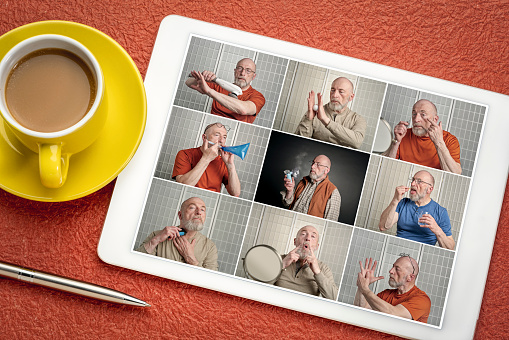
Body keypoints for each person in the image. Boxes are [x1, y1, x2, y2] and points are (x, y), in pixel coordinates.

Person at [378, 170, 455, 249]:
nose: (412, 184)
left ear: (429, 189)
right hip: (397, 247)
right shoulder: (403, 203)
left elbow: (450, 248)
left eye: (419, 181)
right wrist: (395, 200)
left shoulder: (441, 212)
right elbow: (383, 227)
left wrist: (437, 229)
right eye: (413, 180)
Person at [136, 197, 218, 270]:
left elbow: (211, 280)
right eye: (192, 207)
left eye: (202, 209)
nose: (199, 212)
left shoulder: (210, 247)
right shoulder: (156, 235)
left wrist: (191, 259)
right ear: (180, 215)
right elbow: (136, 262)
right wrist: (155, 241)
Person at [382, 99, 461, 174]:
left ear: (435, 119)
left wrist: (439, 143)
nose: (416, 119)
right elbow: (385, 165)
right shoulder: (403, 135)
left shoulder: (450, 140)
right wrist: (396, 142)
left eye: (423, 114)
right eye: (414, 114)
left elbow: (455, 174)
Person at [185, 58, 266, 124]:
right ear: (235, 71)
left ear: (253, 76)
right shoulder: (220, 86)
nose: (243, 73)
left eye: (248, 70)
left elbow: (244, 109)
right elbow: (188, 82)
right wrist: (202, 77)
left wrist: (210, 92)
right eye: (240, 68)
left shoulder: (257, 96)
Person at [354, 256, 431, 323]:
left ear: (410, 277)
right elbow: (362, 309)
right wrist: (362, 286)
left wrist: (365, 289)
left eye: (397, 269)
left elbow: (393, 315)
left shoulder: (422, 300)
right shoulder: (386, 294)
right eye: (393, 267)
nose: (390, 271)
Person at [295, 77, 366, 149]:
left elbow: (357, 142)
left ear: (351, 97)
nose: (335, 95)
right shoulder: (314, 112)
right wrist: (308, 119)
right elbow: (298, 143)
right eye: (332, 90)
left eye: (341, 92)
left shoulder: (358, 119)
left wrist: (325, 120)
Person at [172, 122, 241, 197]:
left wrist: (230, 165)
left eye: (224, 137)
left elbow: (235, 193)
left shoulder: (223, 161)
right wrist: (206, 158)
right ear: (204, 138)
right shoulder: (185, 154)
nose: (221, 140)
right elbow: (183, 185)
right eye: (217, 135)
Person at [274, 225, 338, 300]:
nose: (307, 238)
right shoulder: (279, 258)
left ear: (317, 247)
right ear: (295, 241)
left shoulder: (323, 268)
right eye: (303, 234)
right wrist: (282, 264)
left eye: (313, 236)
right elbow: (259, 284)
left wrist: (317, 272)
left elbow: (334, 298)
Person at [281, 155, 341, 221]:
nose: (312, 167)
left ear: (326, 170)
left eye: (318, 164)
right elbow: (286, 203)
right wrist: (290, 191)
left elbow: (330, 222)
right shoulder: (302, 182)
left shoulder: (333, 192)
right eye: (313, 163)